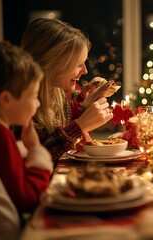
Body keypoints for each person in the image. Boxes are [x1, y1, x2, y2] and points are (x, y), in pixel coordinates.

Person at [20, 18, 113, 163]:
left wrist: (86, 107)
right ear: (52, 63)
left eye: (84, 63)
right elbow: (32, 161)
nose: (85, 71)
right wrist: (79, 126)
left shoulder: (61, 93)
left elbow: (69, 139)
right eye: (77, 64)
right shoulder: (19, 106)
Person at [0, 42, 53, 222]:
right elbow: (27, 198)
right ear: (6, 99)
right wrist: (35, 148)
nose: (38, 104)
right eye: (33, 96)